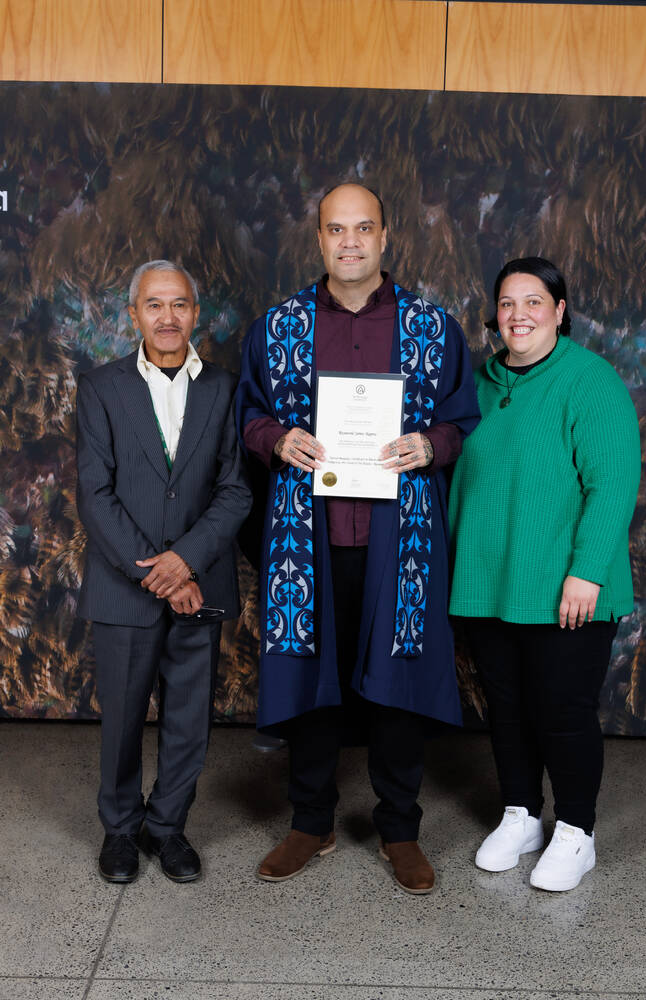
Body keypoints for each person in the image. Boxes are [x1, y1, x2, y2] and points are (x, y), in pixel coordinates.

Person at [236, 183, 479, 894]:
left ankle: (399, 828)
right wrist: (276, 438)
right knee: (312, 678)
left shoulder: (431, 327)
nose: (350, 242)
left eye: (363, 228)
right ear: (318, 239)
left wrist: (429, 445)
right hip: (304, 538)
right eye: (336, 229)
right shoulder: (276, 327)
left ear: (384, 235)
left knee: (396, 681)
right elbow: (247, 412)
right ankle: (310, 822)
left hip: (398, 538)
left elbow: (462, 418)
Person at [448, 257, 641, 891]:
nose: (519, 314)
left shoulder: (590, 380)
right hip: (488, 582)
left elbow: (613, 484)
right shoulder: (478, 384)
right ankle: (521, 813)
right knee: (506, 708)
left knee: (562, 710)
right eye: (507, 303)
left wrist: (587, 571)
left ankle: (577, 830)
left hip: (566, 586)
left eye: (534, 301)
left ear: (559, 311)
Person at [76, 260, 251, 884]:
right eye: (155, 305)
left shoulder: (225, 389)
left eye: (179, 304)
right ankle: (121, 830)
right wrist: (161, 574)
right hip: (125, 587)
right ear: (134, 315)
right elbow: (96, 495)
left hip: (201, 581)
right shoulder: (101, 387)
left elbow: (235, 490)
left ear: (196, 313)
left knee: (189, 720)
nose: (168, 317)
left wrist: (187, 561)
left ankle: (168, 827)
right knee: (122, 719)